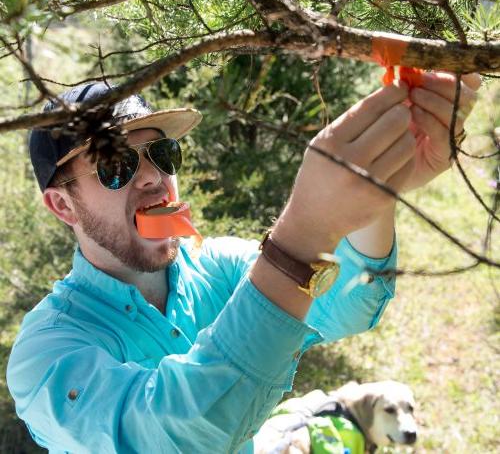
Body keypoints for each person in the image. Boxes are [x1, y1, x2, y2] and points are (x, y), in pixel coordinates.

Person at [7, 73, 479, 453]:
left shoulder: (222, 267)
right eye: (116, 166)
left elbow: (348, 306)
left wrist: (379, 187)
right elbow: (169, 437)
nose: (154, 178)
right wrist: (298, 238)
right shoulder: (46, 353)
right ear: (63, 207)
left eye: (161, 153)